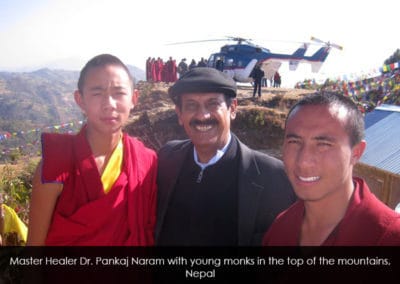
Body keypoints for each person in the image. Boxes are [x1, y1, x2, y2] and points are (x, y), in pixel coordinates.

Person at [155, 67, 296, 246]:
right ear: (179, 114)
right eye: (191, 105)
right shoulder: (166, 159)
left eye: (213, 103)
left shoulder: (274, 178)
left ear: (233, 109)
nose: (202, 115)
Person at [27, 54, 157, 246]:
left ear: (134, 98)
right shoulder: (55, 166)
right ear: (80, 100)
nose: (109, 105)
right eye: (97, 93)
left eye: (119, 93)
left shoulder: (146, 162)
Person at [263, 92, 400, 246]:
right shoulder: (281, 227)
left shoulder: (389, 237)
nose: (303, 162)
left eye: (323, 145)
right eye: (294, 142)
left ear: (356, 152)